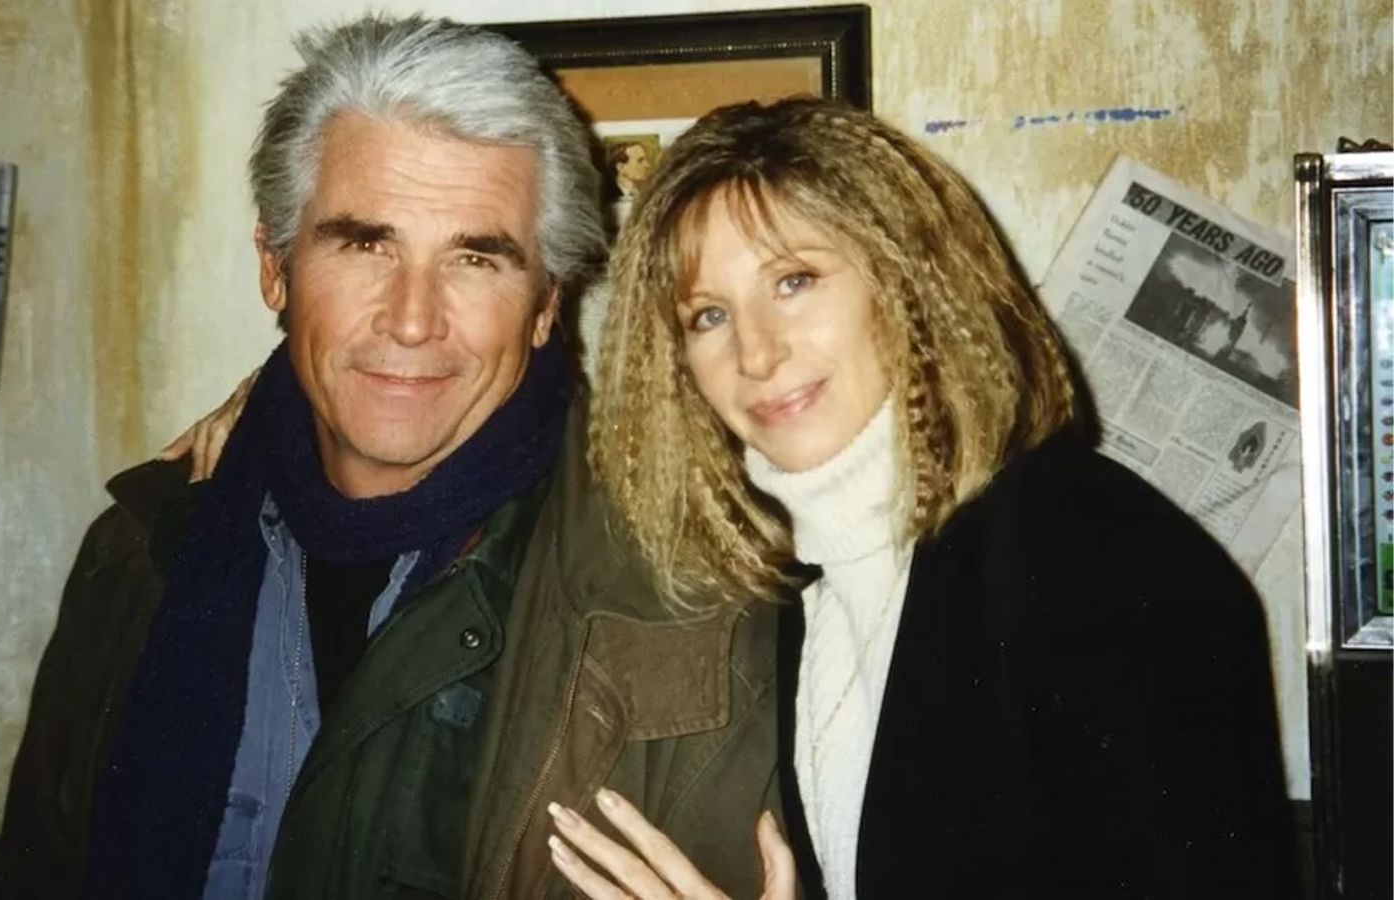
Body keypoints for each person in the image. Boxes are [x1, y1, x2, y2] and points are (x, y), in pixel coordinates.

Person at [0, 16, 788, 900]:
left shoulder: (685, 625)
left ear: (544, 307)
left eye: (475, 258)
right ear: (275, 268)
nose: (412, 320)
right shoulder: (133, 557)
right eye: (366, 244)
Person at [547, 98, 1300, 899]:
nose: (756, 353)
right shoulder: (804, 587)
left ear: (906, 279)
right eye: (708, 315)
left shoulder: (1103, 562)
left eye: (794, 281)